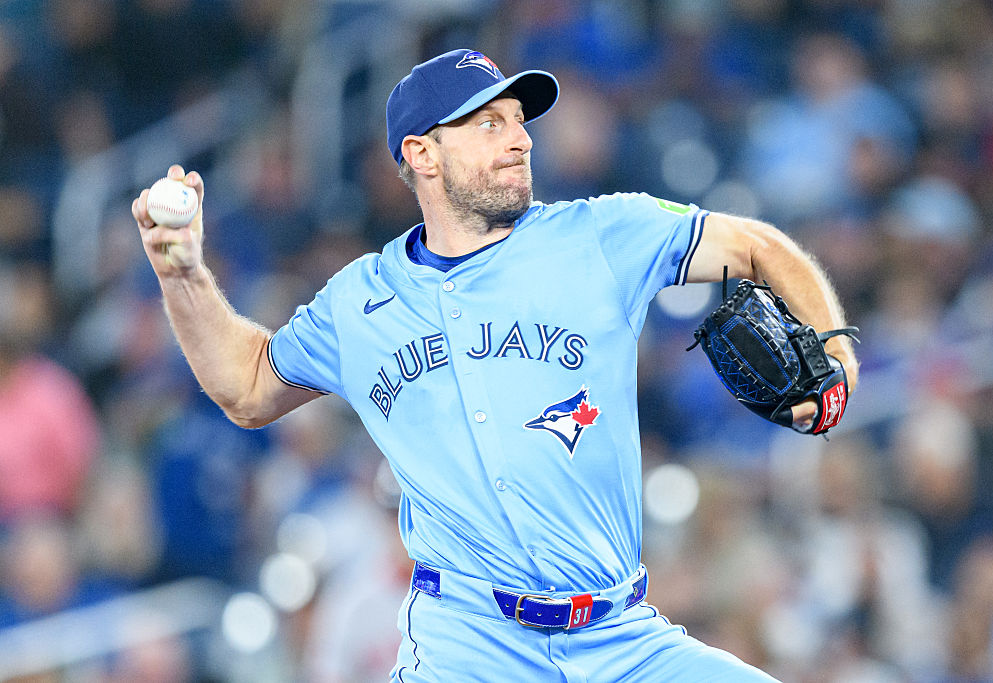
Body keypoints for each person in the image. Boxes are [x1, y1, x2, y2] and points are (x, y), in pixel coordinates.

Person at [132, 49, 859, 682]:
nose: (518, 140)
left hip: (622, 636)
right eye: (489, 124)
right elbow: (249, 387)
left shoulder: (603, 233)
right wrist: (184, 274)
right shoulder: (359, 300)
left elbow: (758, 246)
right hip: (469, 644)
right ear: (421, 153)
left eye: (518, 121)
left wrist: (835, 351)